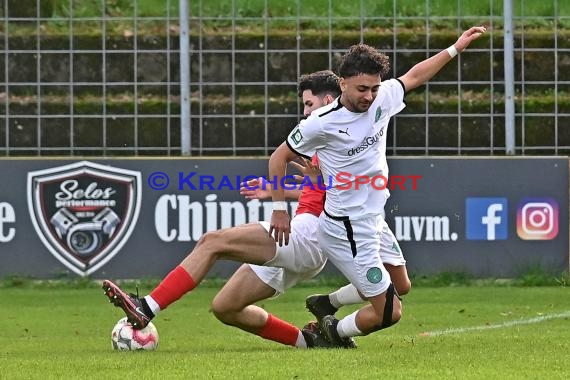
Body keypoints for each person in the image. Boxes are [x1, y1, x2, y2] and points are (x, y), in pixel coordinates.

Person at [268, 26, 487, 345]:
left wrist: (455, 48)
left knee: (402, 284)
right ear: (342, 83)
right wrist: (278, 211)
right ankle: (333, 332)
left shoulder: (381, 96)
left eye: (373, 88)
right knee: (390, 312)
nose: (369, 96)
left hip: (373, 220)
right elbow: (278, 157)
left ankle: (327, 304)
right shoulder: (321, 122)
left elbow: (413, 77)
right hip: (347, 228)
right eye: (361, 89)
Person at [102, 70, 352, 349]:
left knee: (212, 242)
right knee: (226, 307)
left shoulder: (337, 136)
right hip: (308, 244)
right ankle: (311, 343)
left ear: (329, 100)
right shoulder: (324, 135)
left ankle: (145, 307)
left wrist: (280, 206)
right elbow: (324, 187)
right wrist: (283, 189)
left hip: (310, 235)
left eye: (309, 104)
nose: (305, 112)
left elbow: (348, 188)